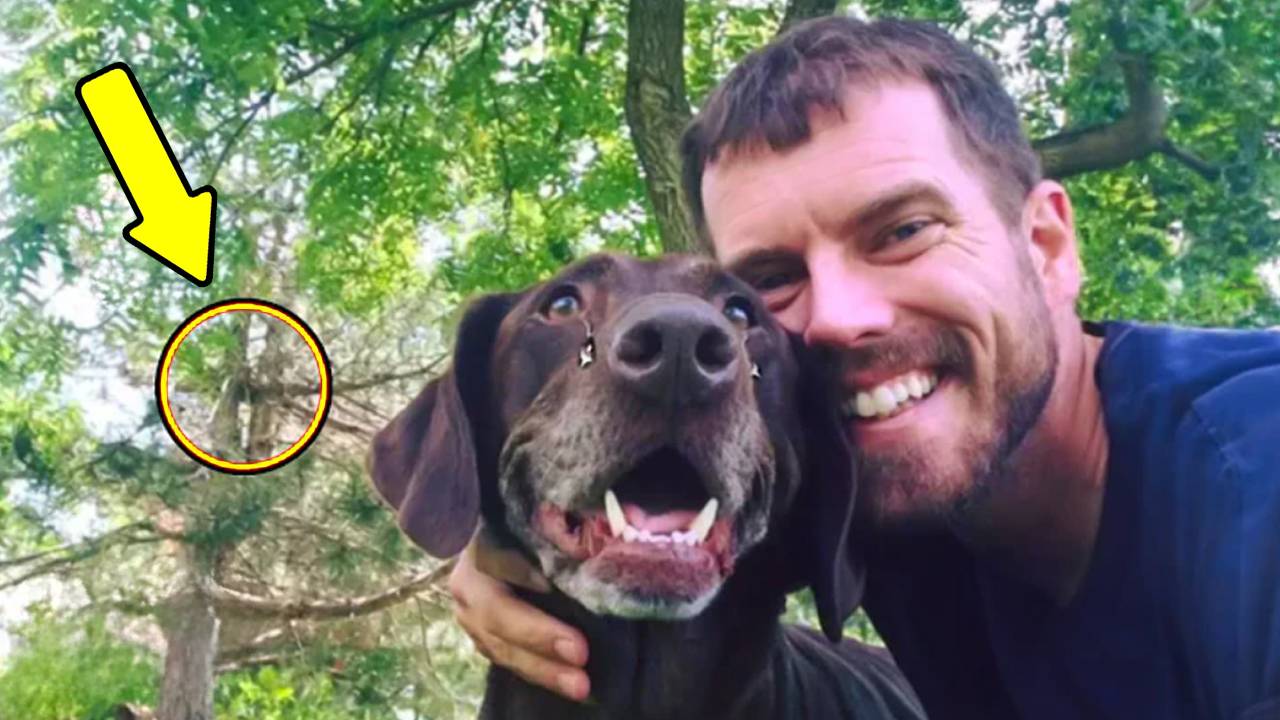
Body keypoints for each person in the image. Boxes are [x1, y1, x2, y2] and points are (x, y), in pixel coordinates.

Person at [445, 16, 1280, 720]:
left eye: (904, 231)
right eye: (770, 281)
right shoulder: (873, 496)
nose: (840, 318)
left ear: (1047, 245)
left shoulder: (1253, 469)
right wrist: (506, 534)